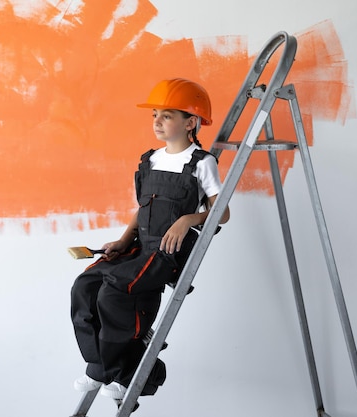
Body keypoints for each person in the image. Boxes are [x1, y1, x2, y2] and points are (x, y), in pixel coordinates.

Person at [70, 78, 230, 401]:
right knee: (84, 286)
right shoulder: (151, 160)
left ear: (191, 122)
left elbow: (222, 213)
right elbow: (142, 209)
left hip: (167, 253)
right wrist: (121, 239)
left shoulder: (202, 163)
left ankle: (126, 373)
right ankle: (101, 367)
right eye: (155, 114)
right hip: (139, 246)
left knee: (114, 292)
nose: (157, 121)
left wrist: (188, 219)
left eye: (167, 115)